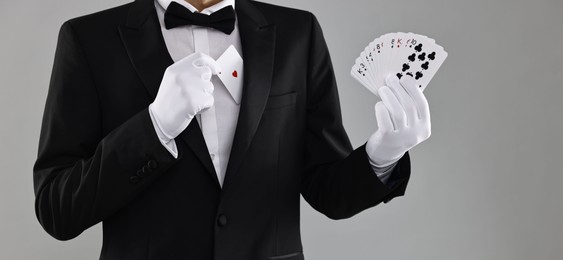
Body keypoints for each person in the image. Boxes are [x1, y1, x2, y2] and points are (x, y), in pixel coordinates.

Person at [33, 0, 431, 259]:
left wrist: (381, 155)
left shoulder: (298, 33)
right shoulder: (88, 40)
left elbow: (330, 191)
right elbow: (58, 209)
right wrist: (154, 129)